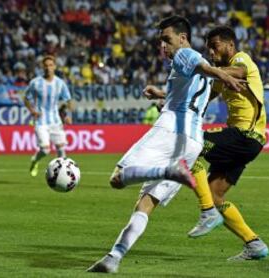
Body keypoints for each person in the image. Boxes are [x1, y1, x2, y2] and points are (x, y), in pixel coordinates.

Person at [87, 15, 245, 273]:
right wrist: (161, 93)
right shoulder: (192, 68)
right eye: (161, 41)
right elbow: (195, 79)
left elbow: (199, 63)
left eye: (166, 39)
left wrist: (222, 75)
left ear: (182, 38)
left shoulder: (185, 53)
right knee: (145, 204)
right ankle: (113, 257)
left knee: (117, 178)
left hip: (170, 131)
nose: (163, 46)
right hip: (192, 142)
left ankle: (170, 172)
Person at [188, 26, 269, 261]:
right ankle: (254, 244)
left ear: (230, 45)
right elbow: (203, 98)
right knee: (215, 197)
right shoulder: (221, 77)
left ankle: (207, 213)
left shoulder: (240, 59)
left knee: (189, 146)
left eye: (215, 46)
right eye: (208, 49)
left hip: (244, 135)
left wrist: (210, 70)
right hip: (244, 142)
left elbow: (240, 71)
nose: (211, 52)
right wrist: (167, 99)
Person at [24, 55, 72, 177]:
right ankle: (35, 160)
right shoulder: (35, 83)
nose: (48, 68)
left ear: (54, 67)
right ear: (42, 67)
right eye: (46, 65)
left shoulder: (60, 83)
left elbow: (68, 100)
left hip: (56, 121)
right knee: (45, 150)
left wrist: (67, 115)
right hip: (41, 121)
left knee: (61, 151)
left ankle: (62, 175)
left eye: (51, 65)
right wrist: (32, 111)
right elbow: (26, 98)